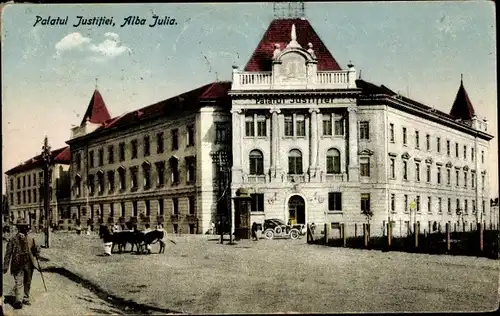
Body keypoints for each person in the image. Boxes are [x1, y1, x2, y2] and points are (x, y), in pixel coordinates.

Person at [3, 218, 41, 309]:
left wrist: (37, 252)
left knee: (27, 281)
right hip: (17, 264)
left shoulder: (31, 238)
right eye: (22, 227)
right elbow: (8, 253)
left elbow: (36, 250)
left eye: (25, 227)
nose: (24, 228)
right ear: (18, 228)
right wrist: (5, 265)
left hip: (28, 263)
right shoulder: (12, 239)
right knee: (19, 282)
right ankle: (19, 300)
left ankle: (26, 298)